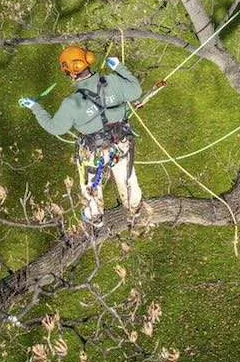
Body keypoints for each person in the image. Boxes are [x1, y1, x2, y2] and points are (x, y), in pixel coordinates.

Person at [20, 45, 146, 228]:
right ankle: (134, 209)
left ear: (70, 73)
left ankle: (95, 217)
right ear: (89, 61)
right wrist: (119, 67)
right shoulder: (113, 82)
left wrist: (35, 107)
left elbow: (55, 128)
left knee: (91, 186)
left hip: (94, 152)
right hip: (121, 144)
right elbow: (136, 91)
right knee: (127, 178)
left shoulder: (71, 104)